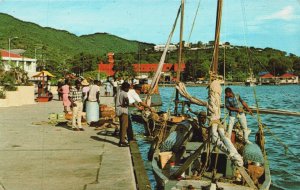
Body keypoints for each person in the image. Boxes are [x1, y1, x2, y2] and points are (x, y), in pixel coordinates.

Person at [115, 82, 130, 147]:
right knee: (124, 126)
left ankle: (121, 140)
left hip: (119, 110)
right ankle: (122, 141)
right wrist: (126, 104)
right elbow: (127, 101)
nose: (128, 89)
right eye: (128, 88)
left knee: (121, 126)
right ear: (125, 88)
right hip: (123, 111)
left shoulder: (119, 92)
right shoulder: (124, 93)